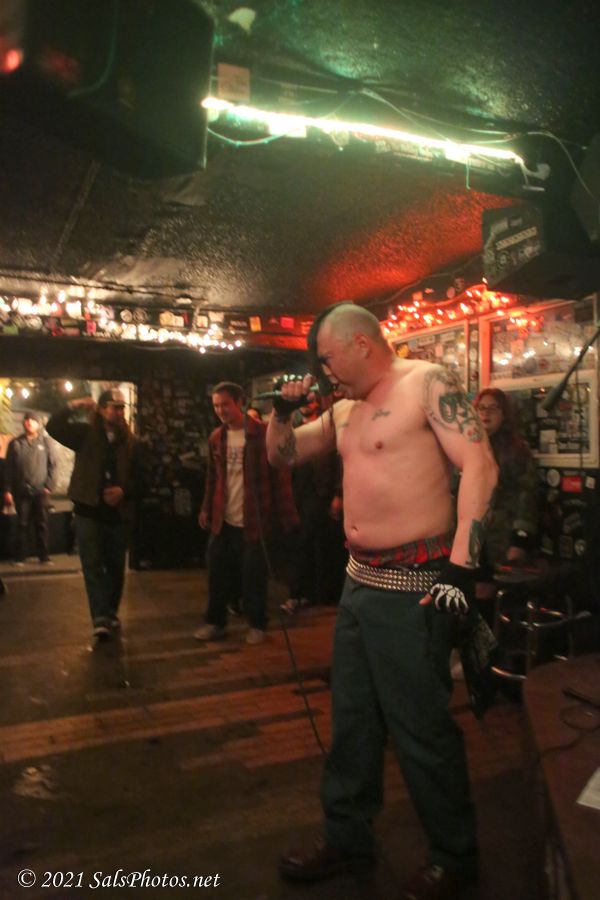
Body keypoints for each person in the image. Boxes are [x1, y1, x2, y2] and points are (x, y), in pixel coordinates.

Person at [266, 303, 498, 900]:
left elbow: (480, 464)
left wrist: (461, 569)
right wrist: (280, 412)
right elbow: (282, 455)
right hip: (358, 584)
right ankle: (348, 837)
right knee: (353, 720)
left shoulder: (426, 383)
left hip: (415, 584)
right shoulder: (345, 410)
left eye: (327, 359)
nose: (325, 372)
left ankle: (454, 856)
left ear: (361, 344)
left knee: (419, 726)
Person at [195, 382, 298, 646]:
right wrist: (206, 507)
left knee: (254, 575)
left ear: (240, 402)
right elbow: (212, 478)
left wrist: (285, 515)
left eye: (225, 404)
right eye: (216, 406)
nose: (220, 410)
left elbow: (280, 476)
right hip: (224, 517)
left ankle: (257, 623)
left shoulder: (262, 434)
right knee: (217, 572)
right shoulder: (216, 437)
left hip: (255, 516)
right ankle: (215, 622)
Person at [46, 390, 141, 644]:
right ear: (100, 409)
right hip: (88, 510)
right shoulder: (85, 434)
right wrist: (74, 404)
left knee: (116, 567)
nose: (118, 411)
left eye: (121, 407)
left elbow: (141, 478)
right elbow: (53, 426)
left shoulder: (130, 442)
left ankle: (110, 612)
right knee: (92, 564)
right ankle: (100, 618)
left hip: (117, 514)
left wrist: (123, 491)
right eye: (113, 406)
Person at [473, 388, 538, 623]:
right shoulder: (470, 446)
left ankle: (491, 643)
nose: (486, 413)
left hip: (501, 534)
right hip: (473, 533)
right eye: (482, 408)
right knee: (474, 593)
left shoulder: (516, 450)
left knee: (492, 597)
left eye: (493, 408)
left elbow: (528, 495)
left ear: (504, 414)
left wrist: (519, 539)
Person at [281, 395, 345, 614]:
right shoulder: (294, 426)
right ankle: (300, 594)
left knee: (322, 545)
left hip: (321, 493)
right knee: (300, 544)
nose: (308, 404)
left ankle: (320, 595)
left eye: (311, 400)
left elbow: (340, 461)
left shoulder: (328, 425)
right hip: (298, 493)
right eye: (304, 401)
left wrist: (338, 493)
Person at [3, 412, 57, 566]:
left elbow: (53, 465)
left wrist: (49, 486)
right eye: (27, 420)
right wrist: (8, 490)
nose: (29, 423)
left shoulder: (46, 442)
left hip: (41, 491)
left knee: (42, 524)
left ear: (38, 424)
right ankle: (20, 557)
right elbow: (8, 468)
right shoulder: (15, 443)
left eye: (33, 420)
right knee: (22, 524)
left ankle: (44, 556)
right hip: (21, 491)